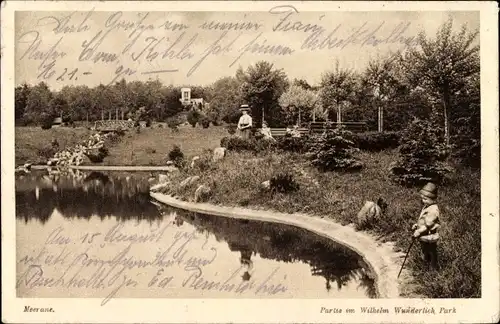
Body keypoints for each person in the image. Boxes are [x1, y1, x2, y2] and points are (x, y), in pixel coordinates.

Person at [412, 182, 441, 270]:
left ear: (433, 199)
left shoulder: (433, 210)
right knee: (425, 251)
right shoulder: (427, 206)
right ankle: (425, 266)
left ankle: (433, 268)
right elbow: (423, 220)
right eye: (422, 199)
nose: (423, 201)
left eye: (426, 199)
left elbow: (428, 225)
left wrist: (419, 231)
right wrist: (417, 225)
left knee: (431, 251)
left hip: (430, 235)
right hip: (425, 235)